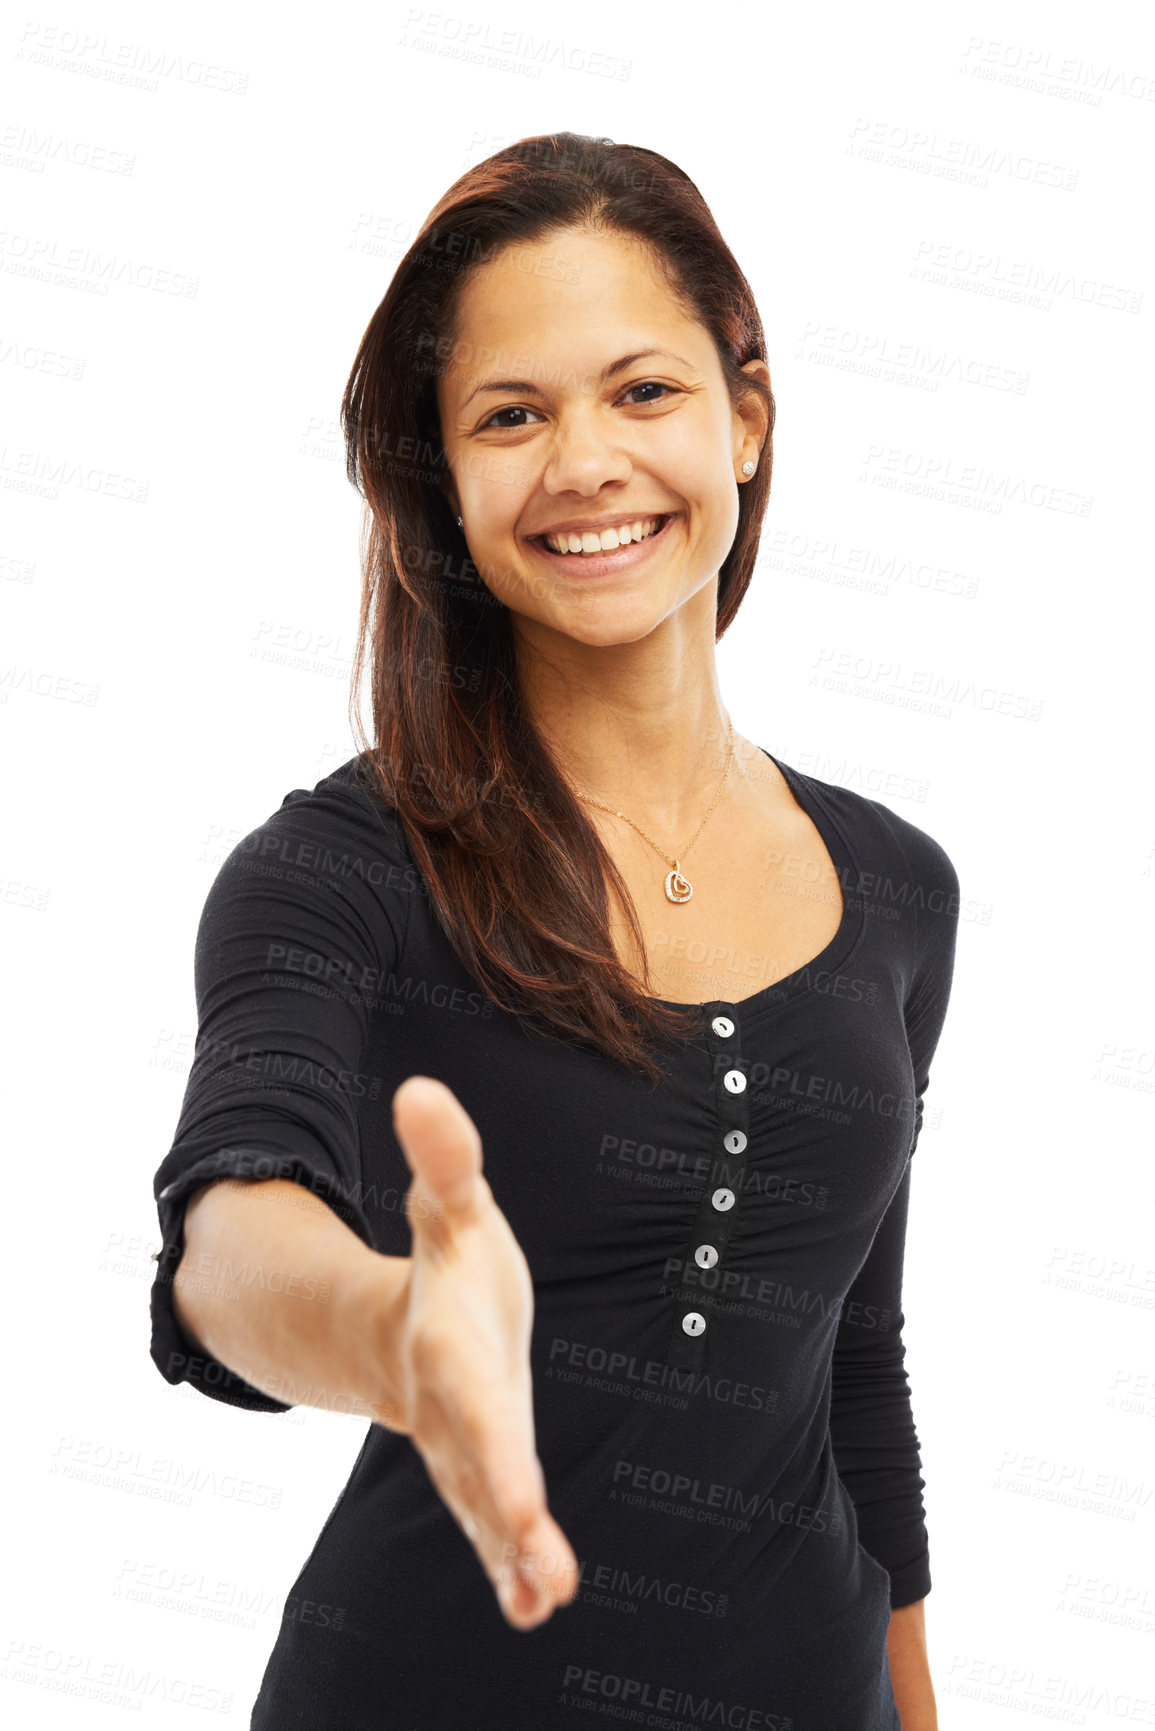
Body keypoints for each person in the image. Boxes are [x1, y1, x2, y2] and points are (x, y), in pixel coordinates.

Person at [148, 132, 958, 1730]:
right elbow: (228, 1239)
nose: (582, 462)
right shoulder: (334, 873)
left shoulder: (898, 887)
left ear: (747, 412)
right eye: (511, 415)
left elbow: (858, 1368)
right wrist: (394, 1329)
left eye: (640, 392)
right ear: (442, 479)